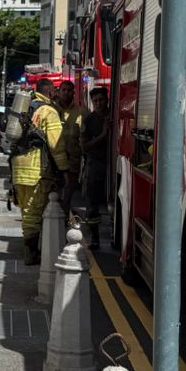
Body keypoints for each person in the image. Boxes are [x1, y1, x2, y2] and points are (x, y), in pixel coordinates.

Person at [10, 77, 68, 266]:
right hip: (36, 168)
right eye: (55, 91)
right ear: (50, 92)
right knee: (34, 212)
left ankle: (31, 249)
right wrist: (64, 169)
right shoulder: (48, 111)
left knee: (26, 211)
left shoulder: (26, 107)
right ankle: (31, 254)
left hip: (18, 167)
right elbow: (56, 144)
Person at [80, 86, 111, 250]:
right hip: (95, 165)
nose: (99, 103)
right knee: (92, 204)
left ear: (107, 100)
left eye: (101, 100)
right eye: (95, 101)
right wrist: (103, 135)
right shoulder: (88, 121)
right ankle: (94, 238)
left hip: (112, 164)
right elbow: (84, 147)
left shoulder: (114, 116)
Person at [56, 80, 83, 217]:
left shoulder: (81, 112)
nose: (66, 93)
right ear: (59, 92)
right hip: (54, 159)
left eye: (69, 90)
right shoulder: (51, 110)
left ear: (73, 93)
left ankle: (65, 215)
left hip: (72, 160)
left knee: (68, 191)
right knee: (54, 191)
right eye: (64, 90)